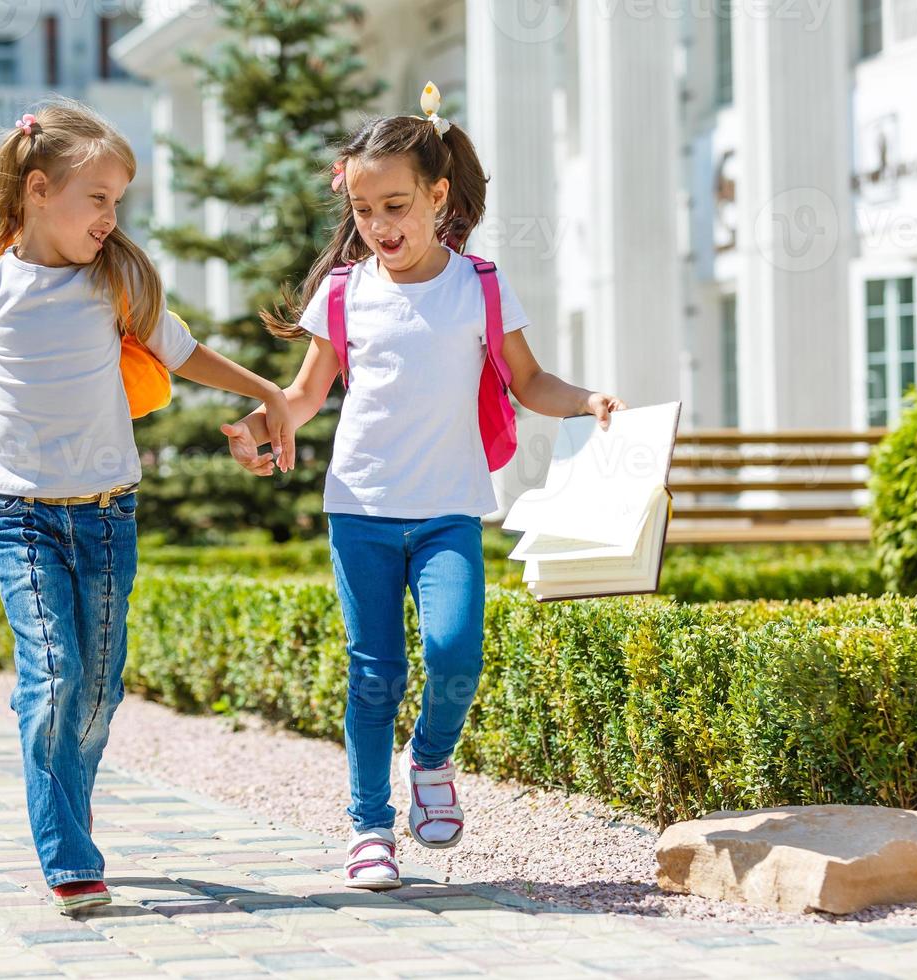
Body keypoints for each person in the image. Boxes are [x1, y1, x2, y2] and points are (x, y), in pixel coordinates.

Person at [0, 99, 294, 915]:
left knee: (96, 692)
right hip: (18, 510)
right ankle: (67, 855)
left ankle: (58, 782)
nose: (111, 217)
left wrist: (265, 389)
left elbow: (183, 352)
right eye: (98, 199)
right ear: (38, 190)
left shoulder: (115, 279)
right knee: (55, 675)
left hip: (106, 511)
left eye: (118, 201)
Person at [223, 83, 627, 889]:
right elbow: (305, 397)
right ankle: (370, 829)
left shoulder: (479, 284)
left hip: (448, 508)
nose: (380, 227)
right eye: (366, 210)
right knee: (374, 672)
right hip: (361, 508)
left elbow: (528, 379)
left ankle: (432, 760)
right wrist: (261, 427)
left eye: (397, 206)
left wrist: (586, 402)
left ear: (438, 196)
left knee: (454, 655)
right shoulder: (342, 292)